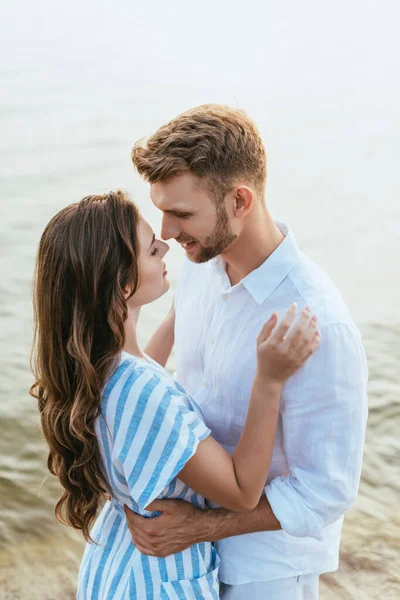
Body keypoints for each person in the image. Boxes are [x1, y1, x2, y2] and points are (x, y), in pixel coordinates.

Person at [126, 104, 369, 600]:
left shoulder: (319, 322)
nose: (167, 233)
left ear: (240, 200)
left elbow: (325, 490)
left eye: (182, 213)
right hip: (188, 560)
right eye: (162, 211)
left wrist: (202, 526)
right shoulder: (199, 265)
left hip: (268, 570)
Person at [30, 190, 319, 599]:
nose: (165, 246)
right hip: (155, 582)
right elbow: (241, 491)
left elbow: (144, 371)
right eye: (151, 251)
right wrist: (269, 381)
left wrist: (180, 309)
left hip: (116, 565)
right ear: (124, 283)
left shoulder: (100, 366)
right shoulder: (142, 391)